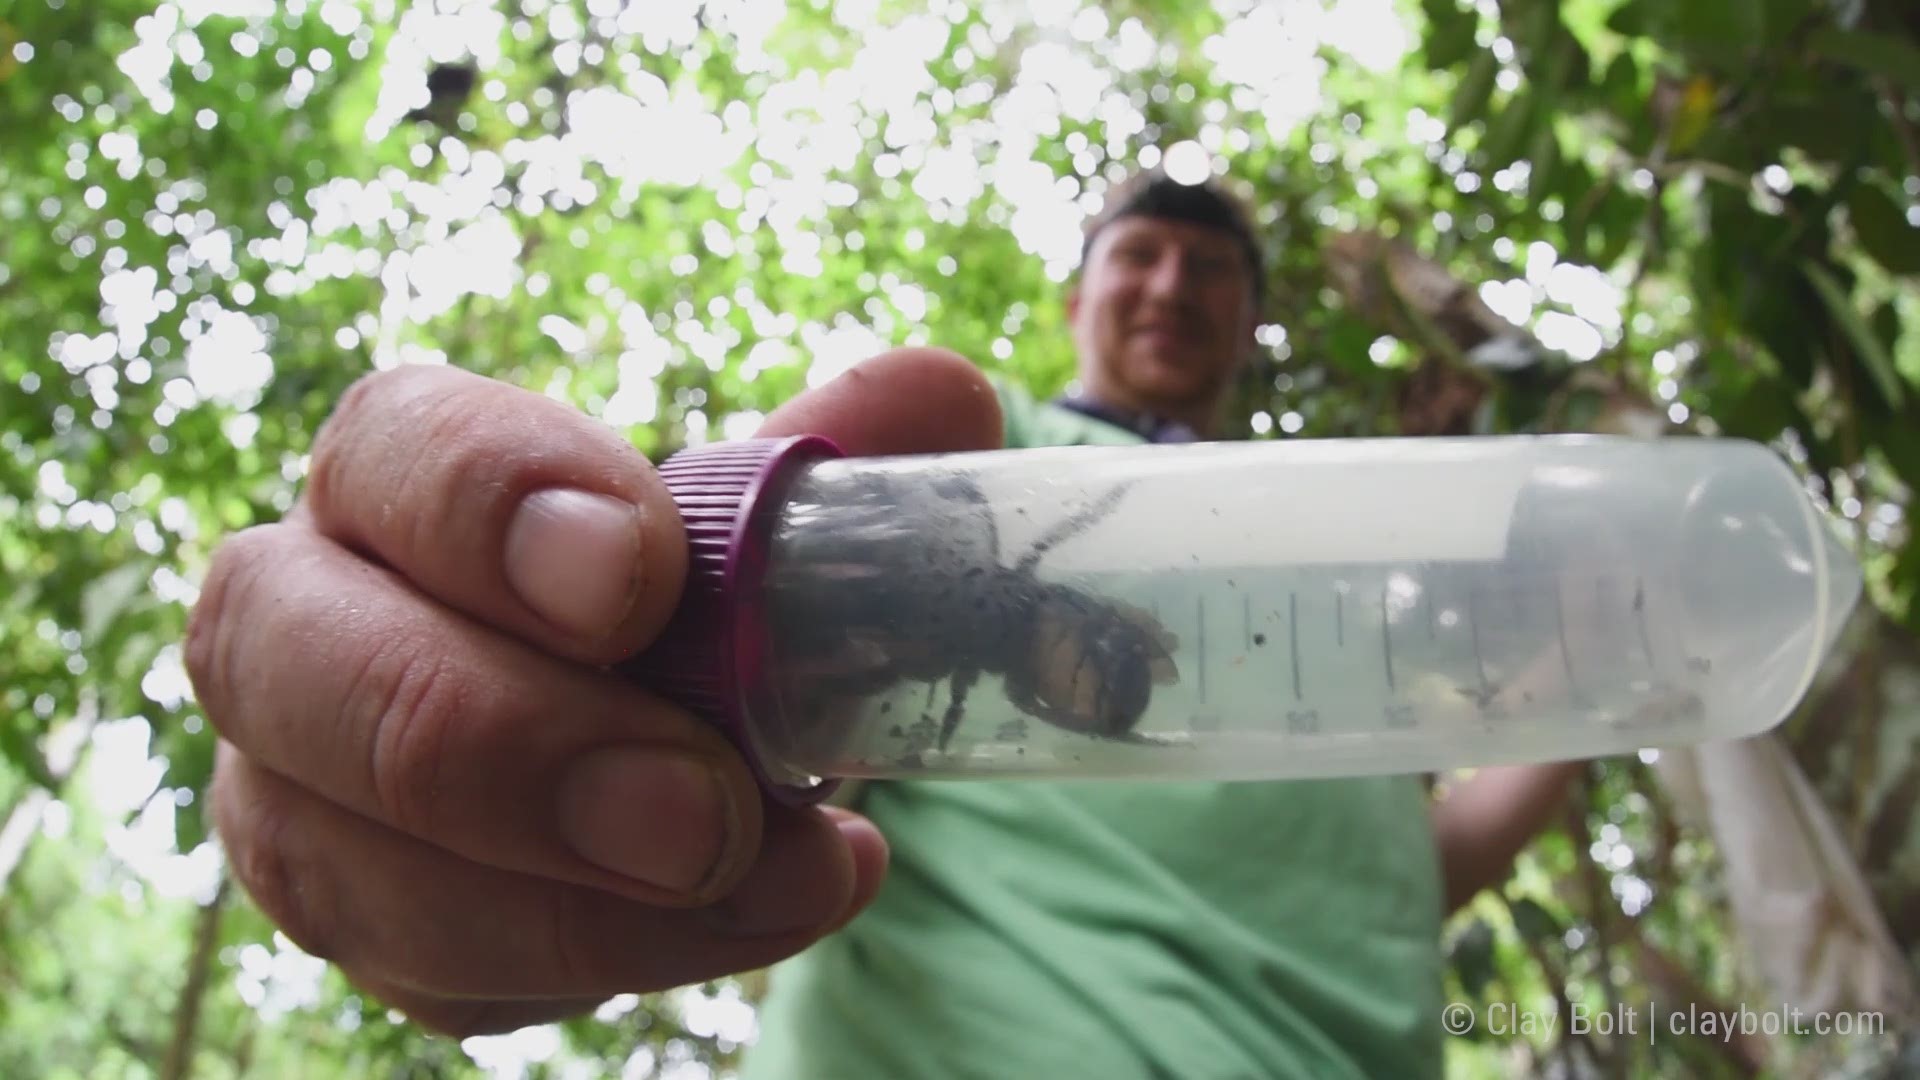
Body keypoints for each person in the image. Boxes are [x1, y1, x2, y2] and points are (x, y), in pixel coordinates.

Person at [185, 169, 1577, 1072]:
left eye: (1212, 272)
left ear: (1252, 323)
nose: (1171, 287)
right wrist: (531, 645)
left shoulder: (1330, 527)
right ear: (1076, 297)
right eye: (1139, 256)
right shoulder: (977, 463)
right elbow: (761, 643)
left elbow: (1383, 869)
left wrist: (1575, 702)